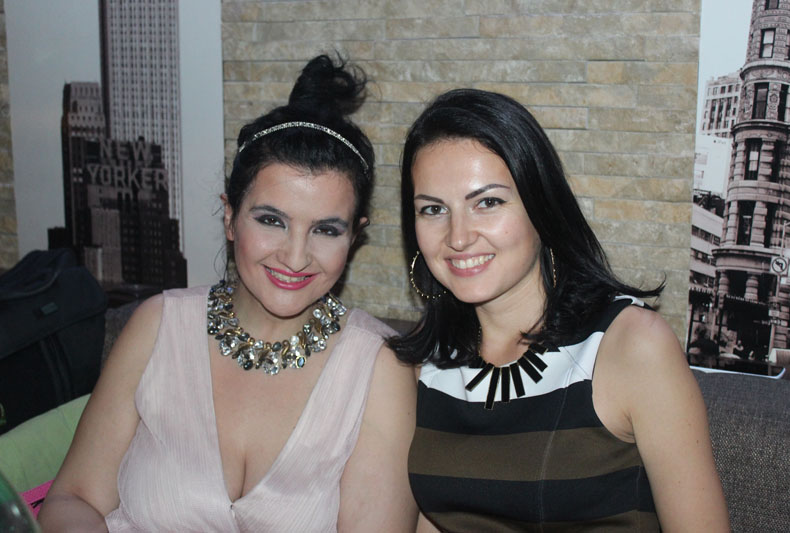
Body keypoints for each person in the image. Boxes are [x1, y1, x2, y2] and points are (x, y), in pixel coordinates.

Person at [38, 55, 418, 532]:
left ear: (354, 236)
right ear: (230, 217)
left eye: (325, 229)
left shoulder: (379, 368)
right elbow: (72, 499)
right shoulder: (157, 325)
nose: (295, 257)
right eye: (271, 220)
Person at [389, 88, 729, 531]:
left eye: (487, 202)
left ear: (541, 206)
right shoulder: (425, 363)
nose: (458, 237)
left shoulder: (632, 346)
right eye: (434, 209)